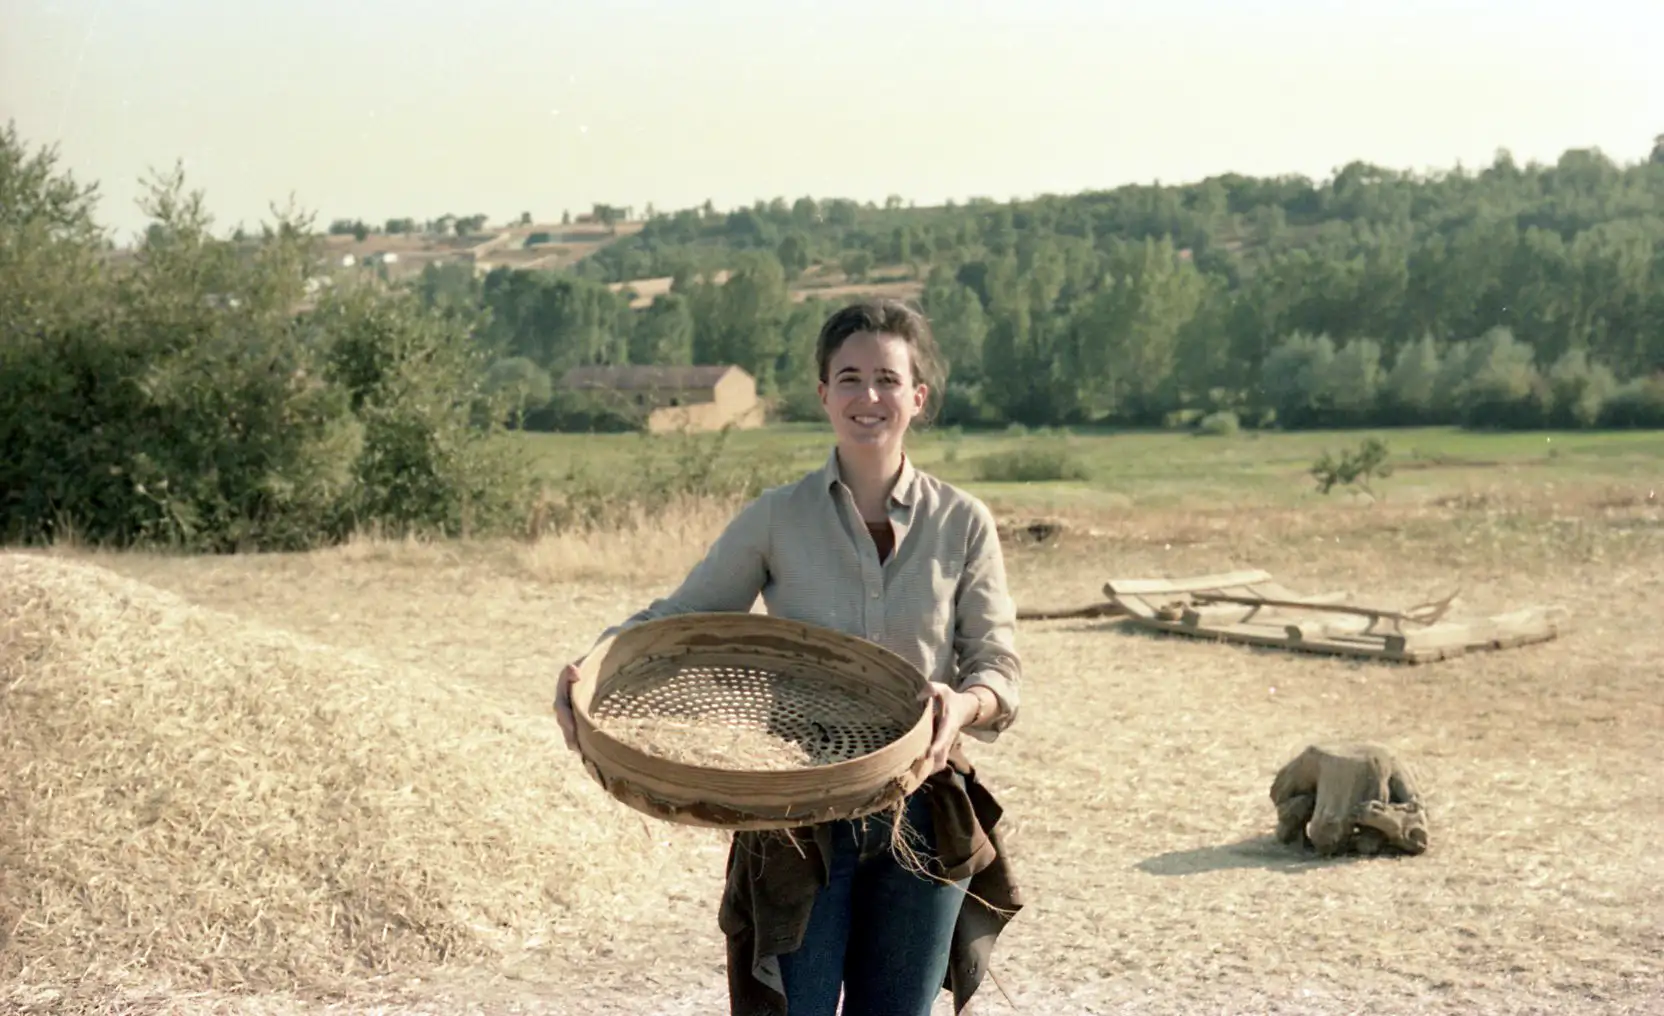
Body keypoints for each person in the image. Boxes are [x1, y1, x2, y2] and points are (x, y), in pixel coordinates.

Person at [553, 299, 1024, 1016]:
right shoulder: (778, 516)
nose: (869, 397)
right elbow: (682, 619)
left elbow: (998, 667)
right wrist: (592, 669)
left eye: (888, 380)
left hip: (925, 808)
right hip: (794, 814)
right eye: (850, 378)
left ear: (918, 397)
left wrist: (962, 704)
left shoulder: (962, 522)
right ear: (823, 394)